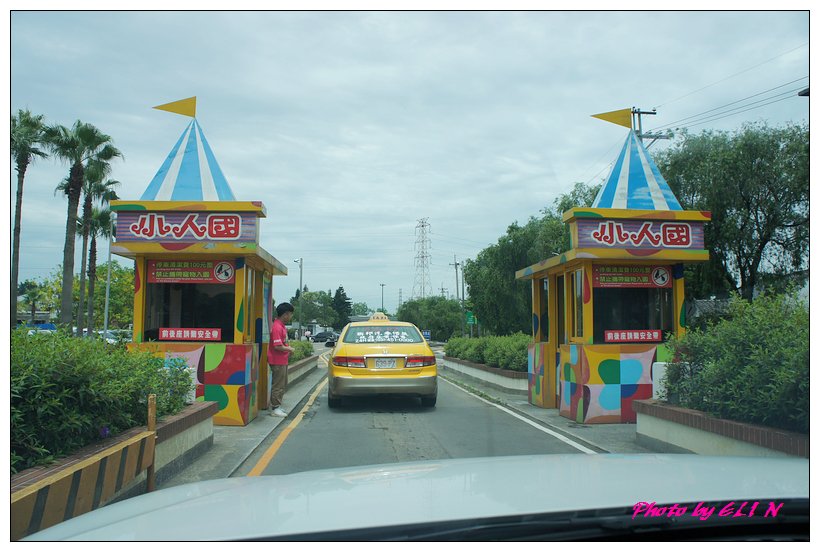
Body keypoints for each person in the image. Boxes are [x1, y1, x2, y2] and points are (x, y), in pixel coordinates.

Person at [268, 302, 295, 417]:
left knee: (282, 384)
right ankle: (275, 408)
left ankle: (278, 406)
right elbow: (277, 346)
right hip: (277, 360)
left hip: (282, 360)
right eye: (290, 314)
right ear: (285, 314)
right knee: (278, 385)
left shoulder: (281, 326)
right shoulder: (277, 327)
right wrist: (290, 349)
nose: (291, 317)